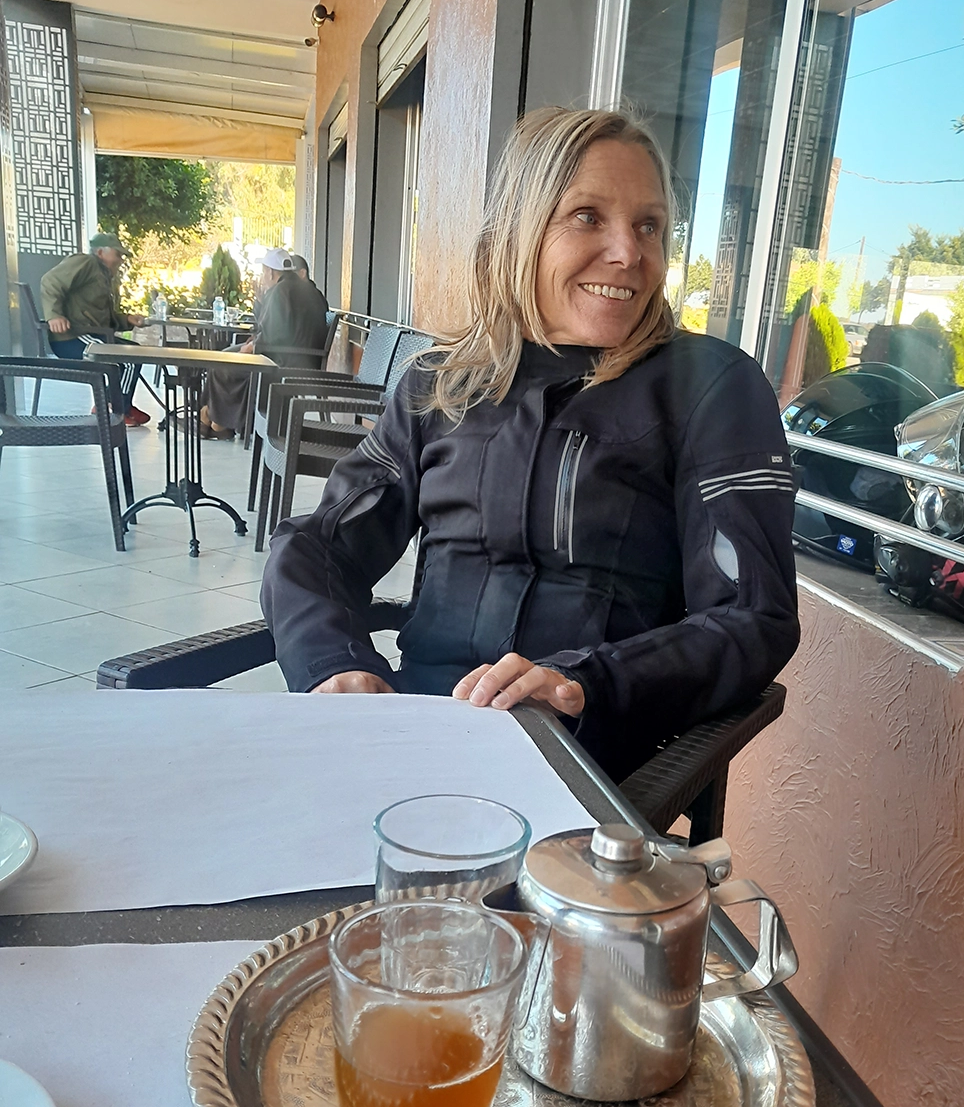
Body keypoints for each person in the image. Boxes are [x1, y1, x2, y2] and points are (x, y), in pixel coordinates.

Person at [261, 107, 799, 780]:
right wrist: (333, 662)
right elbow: (318, 545)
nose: (629, 252)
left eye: (649, 226)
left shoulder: (709, 388)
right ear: (520, 231)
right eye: (588, 217)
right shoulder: (443, 383)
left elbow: (754, 615)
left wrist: (583, 682)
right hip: (413, 734)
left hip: (583, 759)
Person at [202, 249, 330, 438]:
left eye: (263, 272)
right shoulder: (313, 292)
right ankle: (215, 418)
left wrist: (252, 347)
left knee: (223, 362)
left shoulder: (279, 291)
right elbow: (280, 327)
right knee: (229, 355)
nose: (262, 277)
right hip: (306, 359)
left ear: (270, 272)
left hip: (284, 360)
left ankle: (216, 421)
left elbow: (272, 333)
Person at [39, 233, 149, 425]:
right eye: (117, 254)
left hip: (90, 334)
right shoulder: (86, 262)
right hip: (73, 337)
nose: (120, 260)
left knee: (135, 352)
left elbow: (103, 318)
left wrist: (127, 319)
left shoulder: (104, 276)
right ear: (100, 252)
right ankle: (117, 409)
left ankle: (114, 404)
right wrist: (54, 315)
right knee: (127, 359)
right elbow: (50, 281)